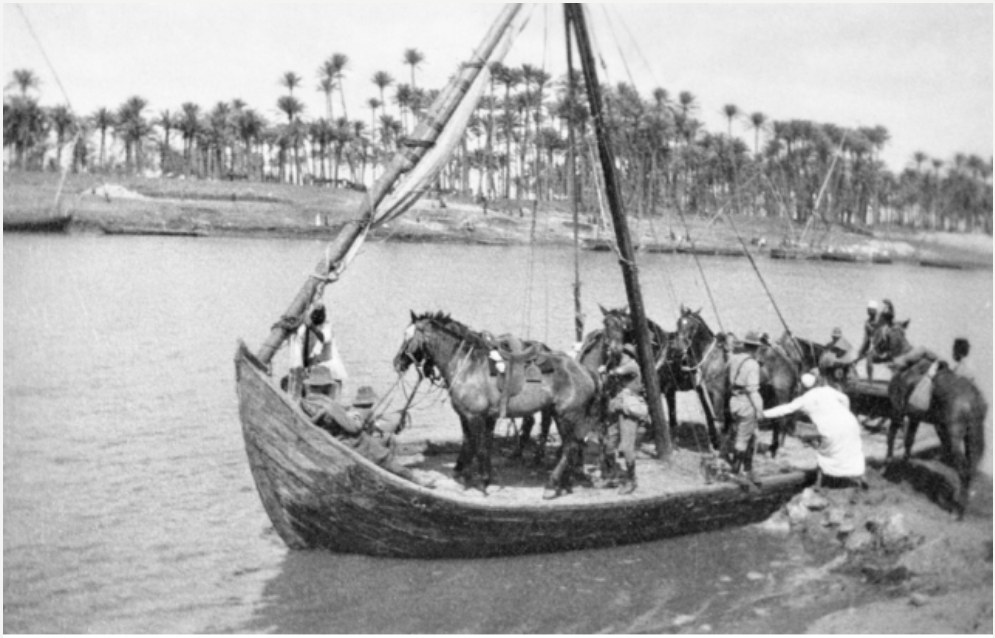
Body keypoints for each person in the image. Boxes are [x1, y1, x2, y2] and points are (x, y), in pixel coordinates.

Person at [299, 368, 434, 488]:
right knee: (384, 457)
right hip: (351, 445)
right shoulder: (330, 406)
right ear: (326, 387)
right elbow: (353, 429)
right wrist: (357, 421)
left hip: (330, 442)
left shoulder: (304, 404)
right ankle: (415, 480)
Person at [762, 373, 865, 489]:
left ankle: (821, 484)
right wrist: (846, 410)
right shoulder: (827, 390)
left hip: (830, 429)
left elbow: (784, 409)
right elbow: (845, 398)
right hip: (850, 423)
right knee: (852, 451)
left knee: (826, 455)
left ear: (802, 387)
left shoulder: (804, 399)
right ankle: (857, 478)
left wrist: (763, 414)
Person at [599, 343, 646, 495]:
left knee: (626, 447)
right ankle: (611, 475)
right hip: (616, 407)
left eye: (625, 354)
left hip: (628, 410)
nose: (622, 356)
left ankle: (631, 479)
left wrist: (606, 370)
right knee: (609, 444)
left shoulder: (632, 366)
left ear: (630, 356)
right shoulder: (620, 366)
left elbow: (617, 372)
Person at [726, 332, 765, 486]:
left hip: (733, 401)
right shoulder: (752, 364)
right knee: (743, 438)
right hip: (746, 402)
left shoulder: (733, 359)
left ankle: (747, 468)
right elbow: (752, 391)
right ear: (756, 348)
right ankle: (736, 471)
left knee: (747, 434)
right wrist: (760, 409)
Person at [288, 301, 348, 399]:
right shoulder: (304, 329)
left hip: (332, 373)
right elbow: (300, 343)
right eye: (315, 314)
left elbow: (324, 338)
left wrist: (311, 326)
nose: (317, 317)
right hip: (314, 373)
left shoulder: (327, 327)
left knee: (331, 399)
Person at [855, 301, 879, 379]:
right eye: (868, 310)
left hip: (884, 346)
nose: (869, 312)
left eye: (871, 310)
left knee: (869, 357)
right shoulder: (867, 322)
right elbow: (867, 341)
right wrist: (860, 353)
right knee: (856, 357)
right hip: (876, 347)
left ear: (875, 311)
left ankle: (870, 380)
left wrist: (870, 328)